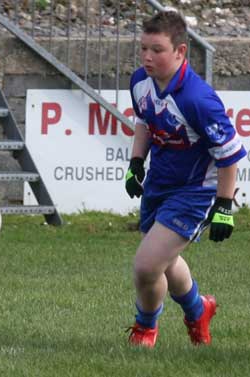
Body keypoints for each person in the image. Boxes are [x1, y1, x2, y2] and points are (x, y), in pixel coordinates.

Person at [125, 10, 246, 348]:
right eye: (144, 48)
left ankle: (145, 328)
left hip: (195, 191)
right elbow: (145, 122)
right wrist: (136, 162)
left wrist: (223, 205)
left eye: (158, 50)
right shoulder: (140, 81)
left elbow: (230, 154)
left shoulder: (198, 99)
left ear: (180, 52)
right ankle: (199, 308)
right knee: (166, 261)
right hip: (159, 185)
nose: (148, 57)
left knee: (147, 266)